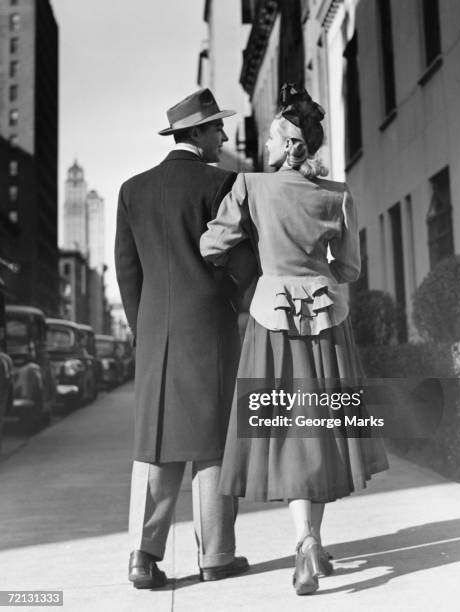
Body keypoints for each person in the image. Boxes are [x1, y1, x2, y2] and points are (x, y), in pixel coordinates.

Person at [200, 84, 389, 596]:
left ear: (282, 143)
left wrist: (259, 270)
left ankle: (305, 541)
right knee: (324, 430)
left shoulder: (250, 187)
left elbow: (212, 244)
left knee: (286, 429)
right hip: (328, 322)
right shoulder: (337, 193)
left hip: (272, 321)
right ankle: (315, 544)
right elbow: (348, 267)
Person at [115, 88, 254, 589]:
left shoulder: (132, 189)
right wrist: (246, 308)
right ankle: (216, 556)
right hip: (210, 326)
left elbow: (127, 272)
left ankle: (143, 555)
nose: (223, 134)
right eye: (217, 127)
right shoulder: (222, 184)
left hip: (154, 330)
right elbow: (241, 263)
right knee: (213, 440)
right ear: (195, 133)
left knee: (156, 442)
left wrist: (143, 329)